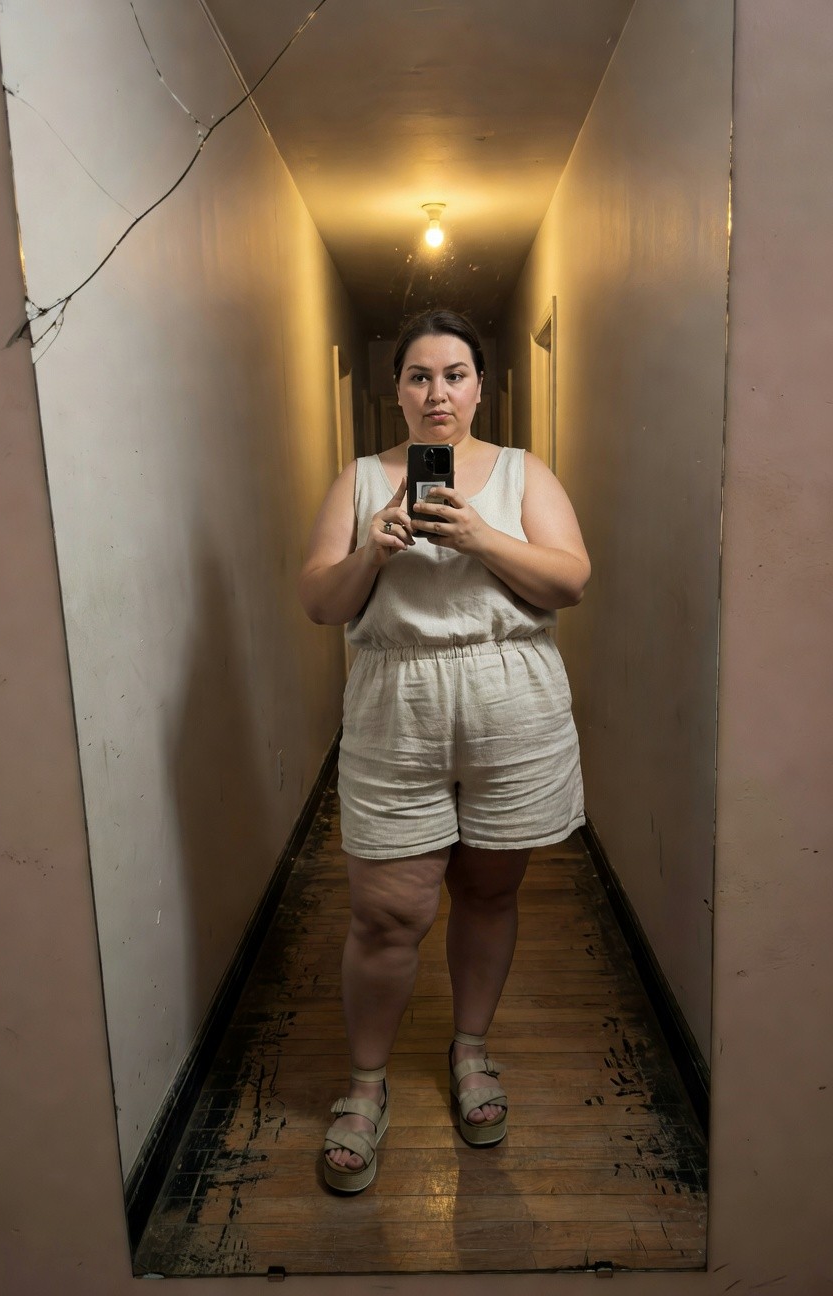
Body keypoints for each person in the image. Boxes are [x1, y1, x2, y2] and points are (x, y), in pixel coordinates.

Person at [299, 308, 590, 1193]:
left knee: (491, 891)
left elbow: (570, 578)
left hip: (511, 697)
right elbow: (320, 602)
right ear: (394, 390)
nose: (438, 393)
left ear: (480, 385)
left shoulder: (521, 472)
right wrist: (373, 553)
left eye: (455, 373)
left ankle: (471, 1053)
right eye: (420, 375)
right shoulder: (358, 481)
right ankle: (366, 1082)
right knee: (388, 911)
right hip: (396, 700)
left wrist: (479, 536)